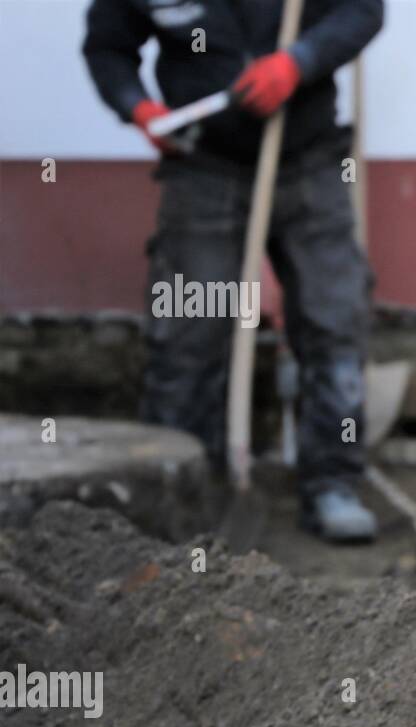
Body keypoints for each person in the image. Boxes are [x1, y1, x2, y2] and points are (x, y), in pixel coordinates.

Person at [83, 0, 385, 542]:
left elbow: (363, 9)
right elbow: (107, 46)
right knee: (189, 333)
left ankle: (332, 482)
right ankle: (181, 491)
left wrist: (299, 61)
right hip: (201, 164)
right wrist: (137, 108)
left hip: (309, 156)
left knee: (334, 318)